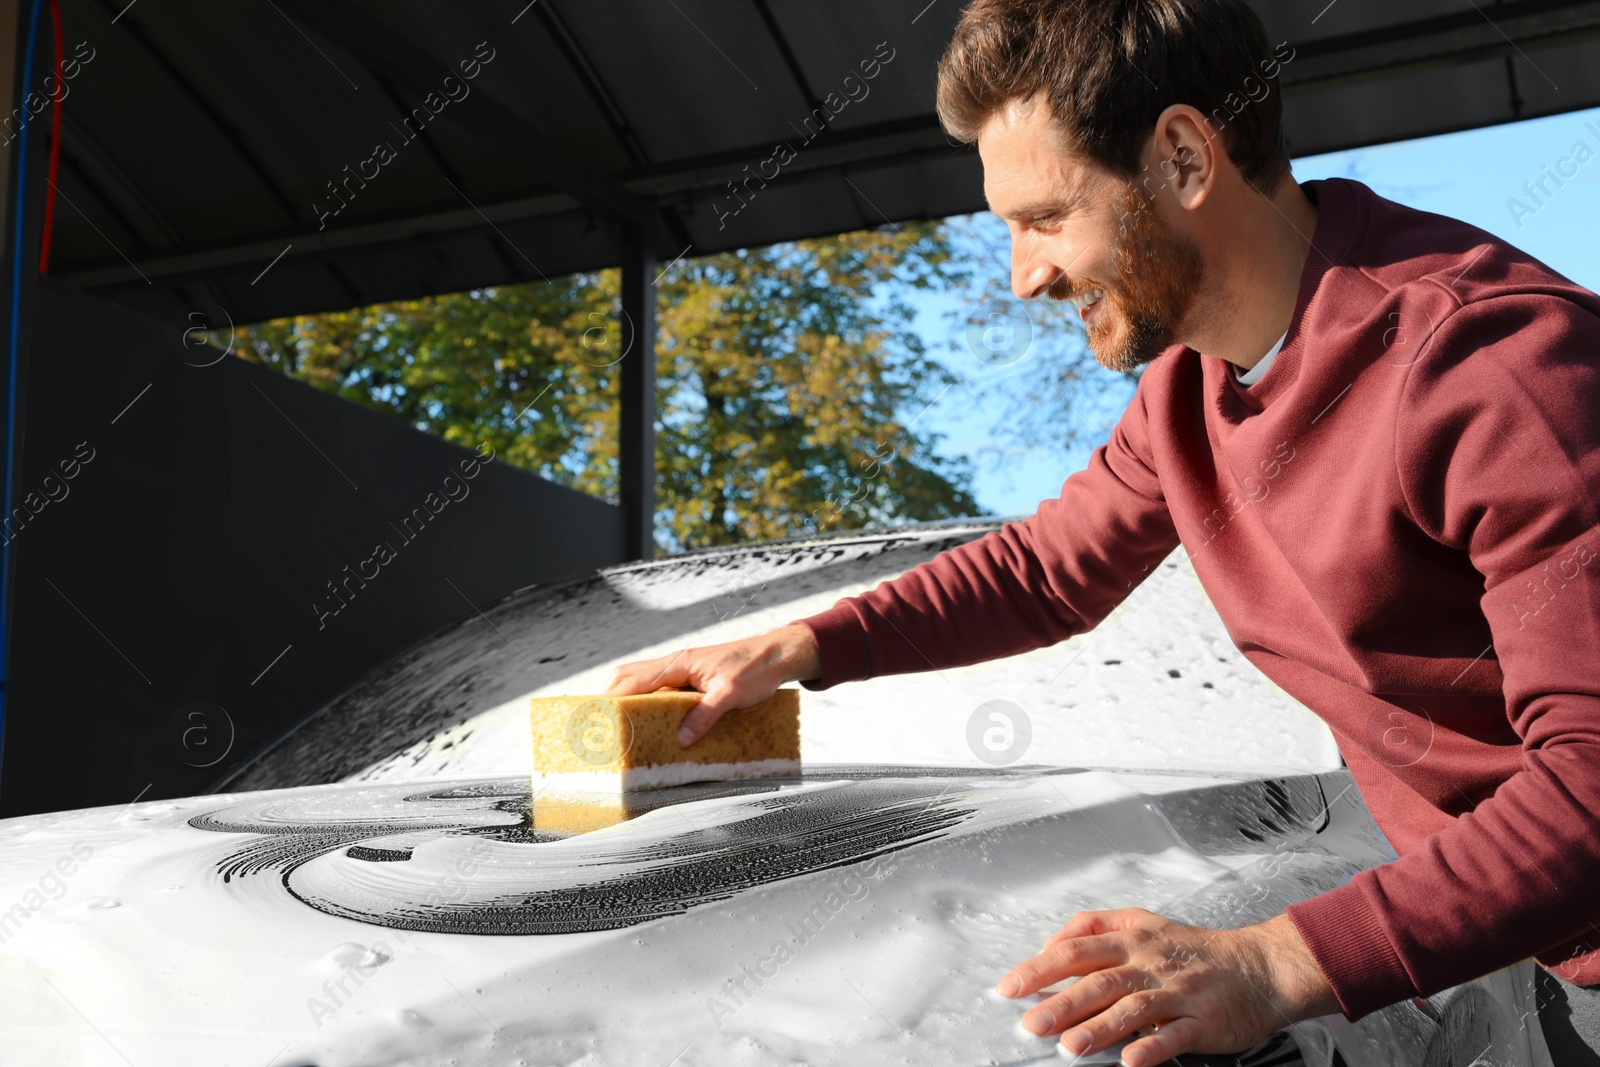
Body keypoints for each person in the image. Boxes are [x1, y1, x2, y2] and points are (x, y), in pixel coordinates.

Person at [606, 0, 1600, 1062]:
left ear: (1180, 158)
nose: (1023, 274)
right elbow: (1045, 570)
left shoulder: (1494, 372)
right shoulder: (1189, 391)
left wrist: (1271, 962)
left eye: (1043, 218)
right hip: (1548, 954)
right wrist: (799, 646)